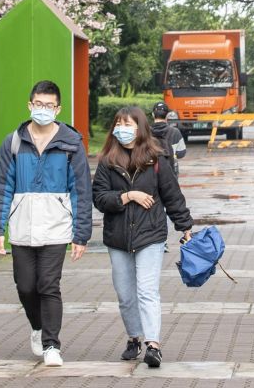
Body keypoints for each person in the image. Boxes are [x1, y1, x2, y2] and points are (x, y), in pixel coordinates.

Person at [0, 80, 92, 368]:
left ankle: (51, 345)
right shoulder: (13, 142)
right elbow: (1, 187)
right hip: (21, 227)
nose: (43, 109)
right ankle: (37, 327)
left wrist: (81, 234)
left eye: (49, 105)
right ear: (29, 105)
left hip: (57, 227)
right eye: (38, 104)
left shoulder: (71, 144)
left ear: (57, 109)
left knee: (48, 285)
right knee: (25, 287)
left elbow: (81, 191)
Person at [93, 106, 194, 369]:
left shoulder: (156, 159)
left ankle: (153, 345)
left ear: (140, 129)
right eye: (119, 124)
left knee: (147, 290)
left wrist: (185, 226)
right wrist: (127, 196)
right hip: (118, 237)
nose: (122, 129)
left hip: (151, 235)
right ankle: (134, 337)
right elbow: (99, 198)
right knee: (126, 294)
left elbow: (172, 195)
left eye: (128, 124)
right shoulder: (107, 161)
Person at [150, 102, 186, 173]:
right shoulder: (175, 132)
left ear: (153, 115)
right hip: (169, 171)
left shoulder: (145, 131)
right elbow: (181, 153)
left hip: (151, 171)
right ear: (168, 115)